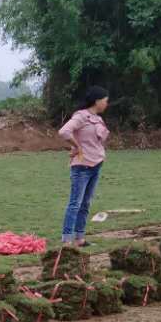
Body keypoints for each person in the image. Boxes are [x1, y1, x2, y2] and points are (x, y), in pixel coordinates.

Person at [58, 86, 110, 247]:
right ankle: (67, 240)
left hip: (96, 166)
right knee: (75, 203)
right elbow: (64, 132)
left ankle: (80, 239)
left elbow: (94, 141)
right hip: (82, 167)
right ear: (97, 101)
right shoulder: (81, 116)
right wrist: (77, 146)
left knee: (86, 203)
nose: (107, 104)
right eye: (105, 101)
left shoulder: (98, 119)